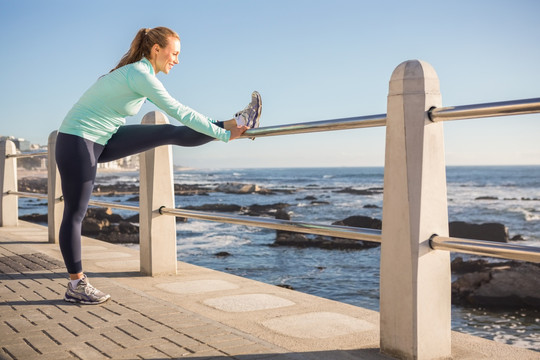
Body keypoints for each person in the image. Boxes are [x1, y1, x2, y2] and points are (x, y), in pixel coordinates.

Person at [56, 27, 262, 305]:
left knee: (169, 132)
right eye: (174, 53)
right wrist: (224, 137)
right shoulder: (140, 75)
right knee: (75, 213)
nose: (176, 60)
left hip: (103, 137)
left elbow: (180, 118)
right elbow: (182, 111)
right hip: (77, 140)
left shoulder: (138, 72)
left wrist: (226, 131)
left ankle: (239, 121)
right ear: (156, 50)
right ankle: (76, 284)